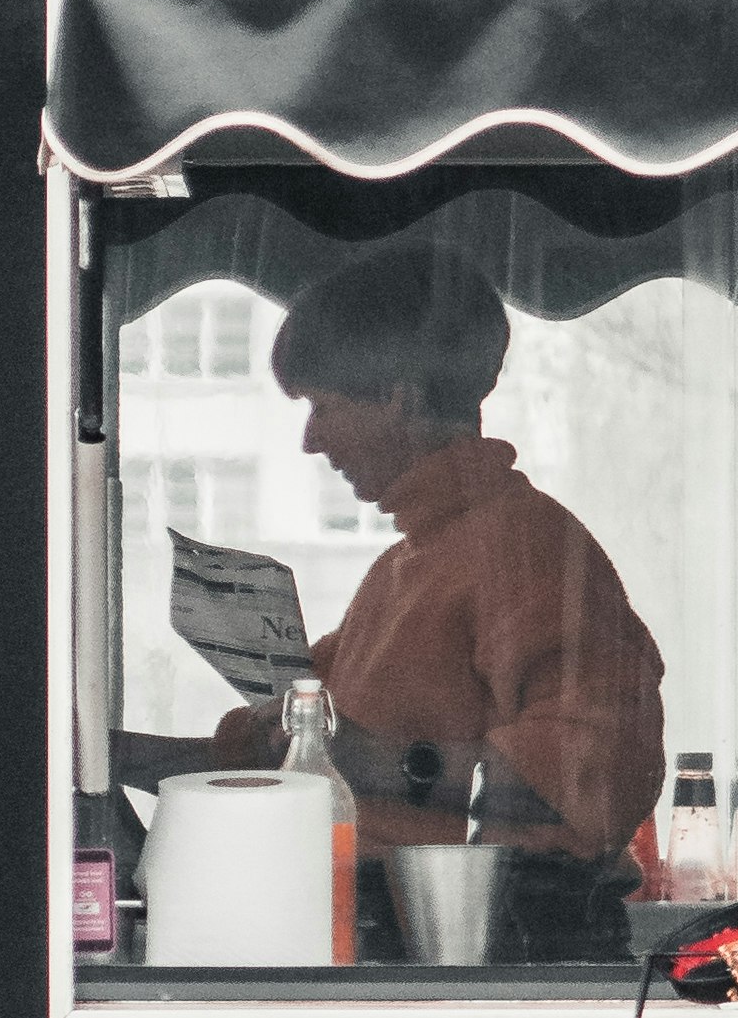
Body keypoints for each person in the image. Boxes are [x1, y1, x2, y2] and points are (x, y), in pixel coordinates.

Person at [215, 255, 665, 867]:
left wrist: (372, 761)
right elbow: (302, 747)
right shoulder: (405, 566)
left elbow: (600, 773)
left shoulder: (525, 547)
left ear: (398, 399)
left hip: (497, 943)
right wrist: (106, 758)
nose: (311, 440)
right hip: (399, 936)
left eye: (324, 406)